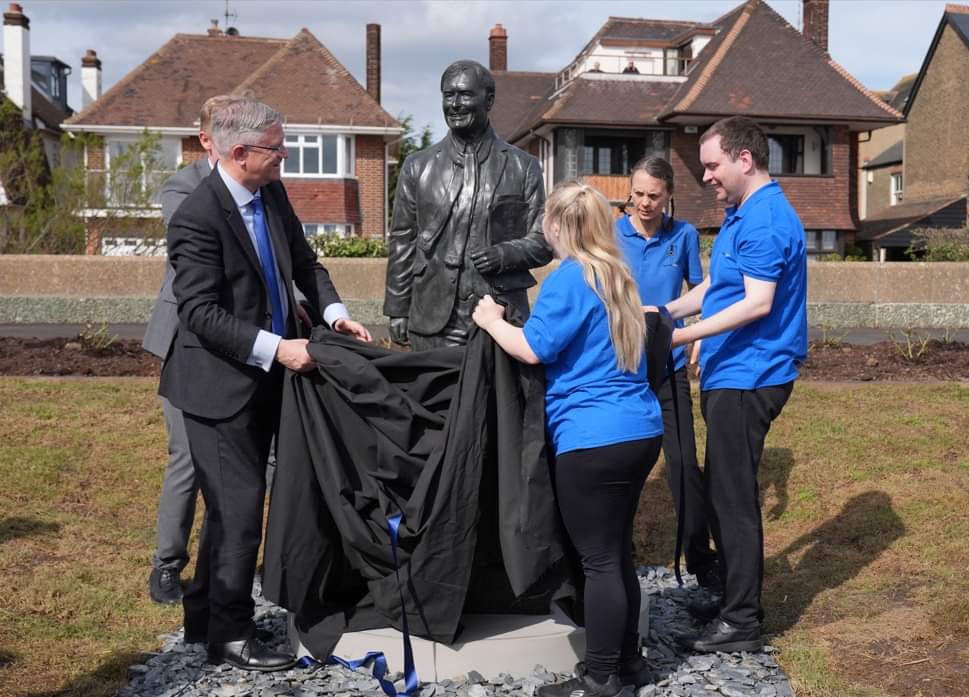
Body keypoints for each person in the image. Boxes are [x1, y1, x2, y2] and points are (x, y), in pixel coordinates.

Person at [161, 98, 371, 672]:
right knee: (239, 511)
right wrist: (277, 348)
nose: (285, 158)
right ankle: (230, 636)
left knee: (232, 507)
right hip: (216, 389)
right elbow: (200, 314)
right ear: (238, 153)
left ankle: (203, 616)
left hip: (267, 379)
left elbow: (306, 263)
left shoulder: (271, 194)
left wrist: (333, 314)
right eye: (277, 150)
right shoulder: (197, 217)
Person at [472, 182, 663, 697]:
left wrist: (491, 320)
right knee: (617, 551)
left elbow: (532, 348)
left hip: (592, 437)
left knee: (597, 560)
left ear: (555, 225)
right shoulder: (618, 274)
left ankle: (600, 677)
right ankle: (629, 664)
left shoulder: (568, 279)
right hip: (639, 429)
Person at [665, 116, 807, 653]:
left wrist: (680, 338)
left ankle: (742, 622)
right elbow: (718, 287)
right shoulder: (740, 213)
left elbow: (757, 303)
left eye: (712, 165)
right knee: (722, 491)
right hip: (732, 372)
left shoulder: (766, 220)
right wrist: (663, 312)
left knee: (733, 499)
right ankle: (729, 596)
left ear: (744, 159)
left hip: (753, 376)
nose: (706, 177)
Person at [384, 59, 552, 350]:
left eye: (464, 95)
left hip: (500, 317)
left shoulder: (523, 166)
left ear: (488, 101)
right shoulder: (417, 166)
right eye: (448, 95)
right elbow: (402, 242)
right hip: (433, 319)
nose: (455, 104)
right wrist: (397, 307)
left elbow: (544, 241)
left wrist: (504, 254)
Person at [143, 95, 236, 605]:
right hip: (184, 340)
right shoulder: (182, 188)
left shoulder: (262, 184)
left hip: (238, 341)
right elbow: (209, 253)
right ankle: (166, 565)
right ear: (206, 140)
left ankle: (220, 560)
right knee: (188, 457)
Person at [615, 156, 720, 589]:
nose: (643, 203)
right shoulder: (610, 234)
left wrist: (696, 334)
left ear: (668, 196)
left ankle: (699, 557)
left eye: (653, 196)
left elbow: (699, 291)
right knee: (618, 462)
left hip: (670, 366)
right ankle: (615, 556)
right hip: (620, 367)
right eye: (637, 194)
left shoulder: (685, 235)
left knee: (682, 464)